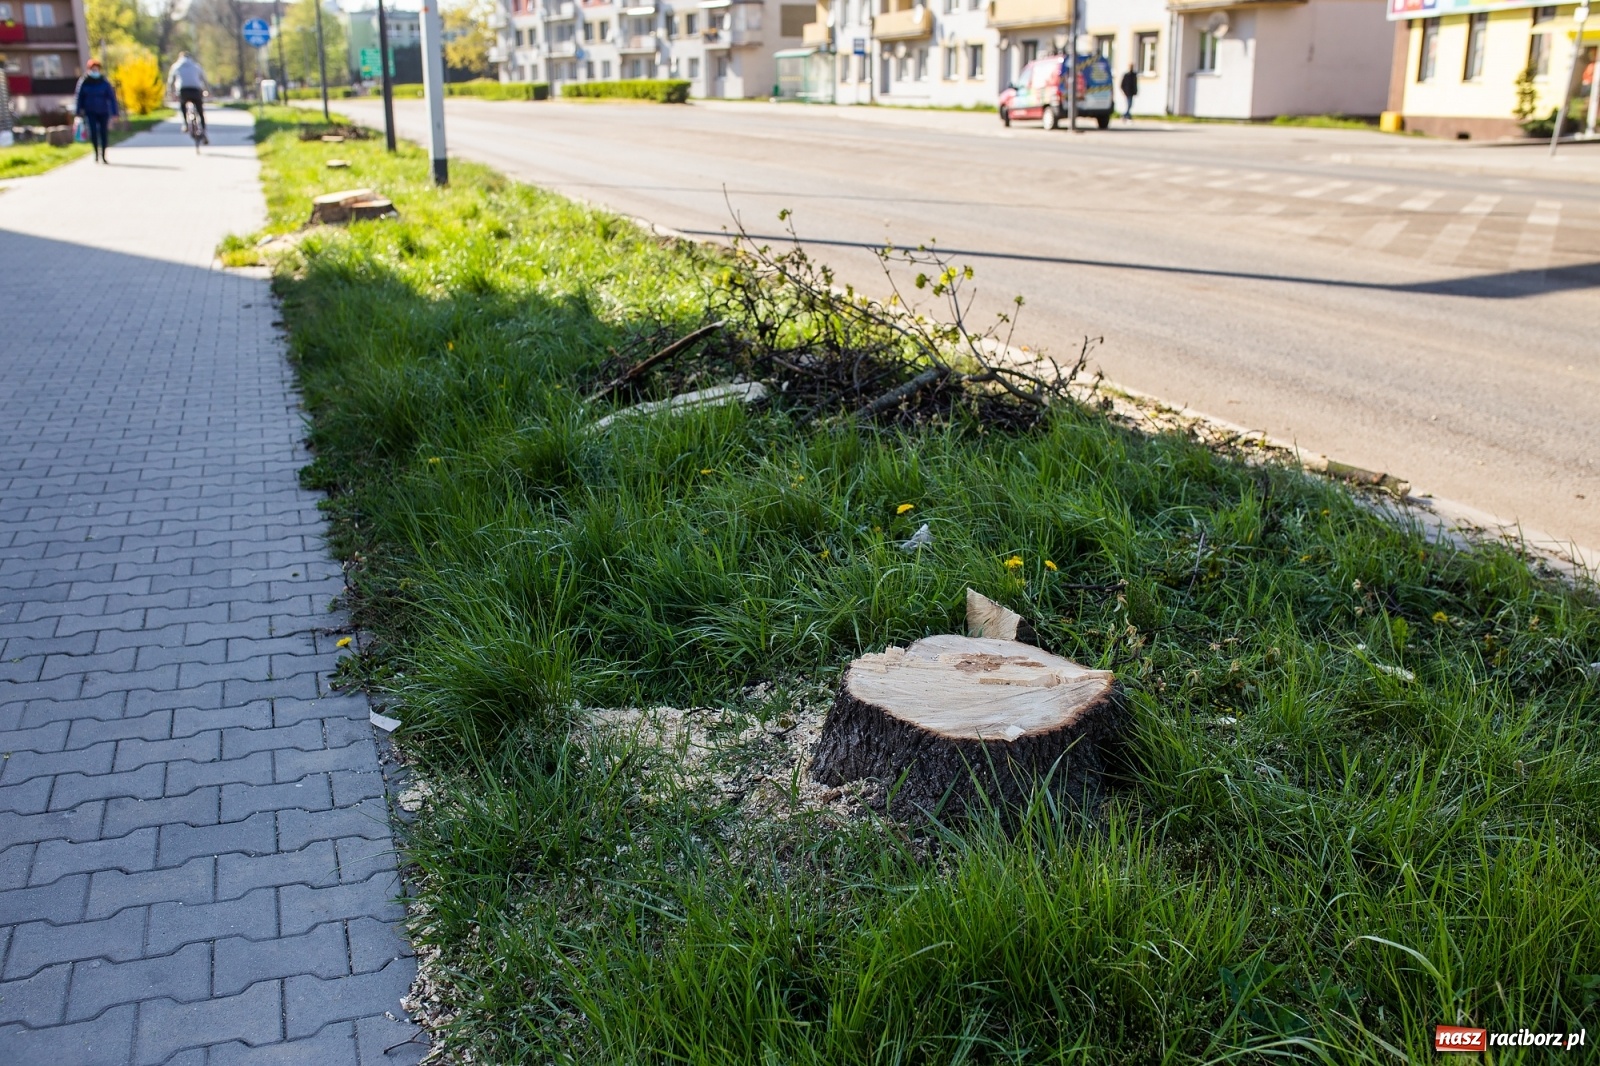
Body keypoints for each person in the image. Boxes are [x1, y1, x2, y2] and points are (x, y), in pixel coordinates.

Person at [74, 58, 119, 164]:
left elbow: (112, 98)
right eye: (93, 69)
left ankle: (103, 155)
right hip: (90, 111)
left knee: (103, 133)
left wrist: (115, 112)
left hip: (103, 111)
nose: (95, 71)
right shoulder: (84, 82)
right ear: (89, 69)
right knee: (93, 133)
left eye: (97, 69)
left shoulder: (104, 81)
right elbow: (79, 97)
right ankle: (96, 154)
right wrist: (78, 112)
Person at [167, 51, 208, 143]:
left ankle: (185, 123)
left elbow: (170, 81)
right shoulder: (196, 66)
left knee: (182, 105)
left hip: (183, 90)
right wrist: (207, 90)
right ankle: (204, 131)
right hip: (196, 90)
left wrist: (170, 93)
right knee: (200, 111)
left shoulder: (176, 66)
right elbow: (204, 79)